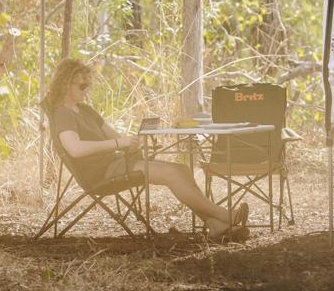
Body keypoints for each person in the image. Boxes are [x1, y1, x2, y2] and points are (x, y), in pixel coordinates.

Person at [44, 58, 248, 242]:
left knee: (181, 170)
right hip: (101, 173)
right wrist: (118, 145)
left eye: (89, 84)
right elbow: (75, 149)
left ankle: (215, 225)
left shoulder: (86, 110)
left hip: (116, 163)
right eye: (82, 85)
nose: (87, 89)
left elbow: (115, 136)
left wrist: (133, 141)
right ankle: (224, 215)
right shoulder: (63, 114)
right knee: (171, 173)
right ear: (65, 84)